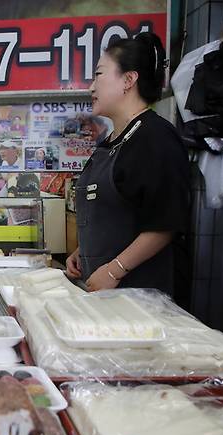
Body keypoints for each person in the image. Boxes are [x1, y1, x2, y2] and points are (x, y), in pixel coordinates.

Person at [65, 32, 189, 296]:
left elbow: (165, 224)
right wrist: (83, 251)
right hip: (103, 295)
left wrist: (114, 269)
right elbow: (113, 215)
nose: (91, 87)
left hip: (139, 297)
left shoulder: (154, 137)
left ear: (129, 80)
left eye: (99, 75)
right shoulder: (110, 142)